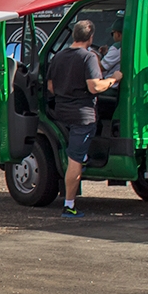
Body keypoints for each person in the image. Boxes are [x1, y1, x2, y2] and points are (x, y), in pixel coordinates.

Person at [46, 19, 122, 218]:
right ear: (91, 37)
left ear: (74, 35)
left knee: (75, 152)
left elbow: (51, 87)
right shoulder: (87, 57)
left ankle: (84, 157)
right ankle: (69, 205)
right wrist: (114, 78)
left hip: (61, 113)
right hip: (82, 115)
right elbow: (95, 87)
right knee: (75, 161)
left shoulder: (58, 57)